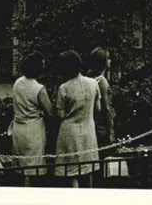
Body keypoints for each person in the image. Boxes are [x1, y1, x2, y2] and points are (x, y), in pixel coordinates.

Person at [53, 50, 100, 187]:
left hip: (69, 132)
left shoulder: (64, 88)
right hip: (88, 129)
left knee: (72, 171)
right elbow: (98, 108)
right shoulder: (93, 83)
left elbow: (60, 115)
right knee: (87, 169)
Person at [10, 51, 53, 185]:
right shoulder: (39, 89)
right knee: (31, 169)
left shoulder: (18, 82)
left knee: (20, 166)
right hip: (33, 131)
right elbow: (50, 112)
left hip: (18, 128)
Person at [87, 47, 116, 148]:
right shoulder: (102, 82)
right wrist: (111, 131)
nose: (110, 61)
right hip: (102, 125)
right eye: (108, 58)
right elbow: (106, 107)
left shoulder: (89, 77)